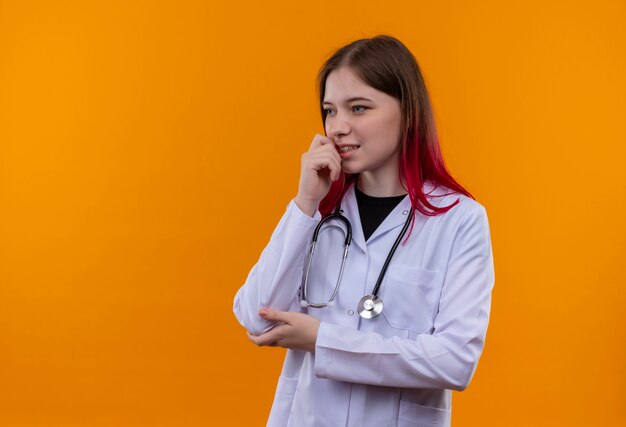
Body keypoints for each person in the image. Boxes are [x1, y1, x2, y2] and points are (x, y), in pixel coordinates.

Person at [233, 34, 495, 427]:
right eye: (329, 110)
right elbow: (257, 318)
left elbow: (455, 361)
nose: (338, 127)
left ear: (408, 112)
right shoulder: (318, 213)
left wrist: (324, 341)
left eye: (358, 108)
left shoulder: (459, 220)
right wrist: (304, 205)